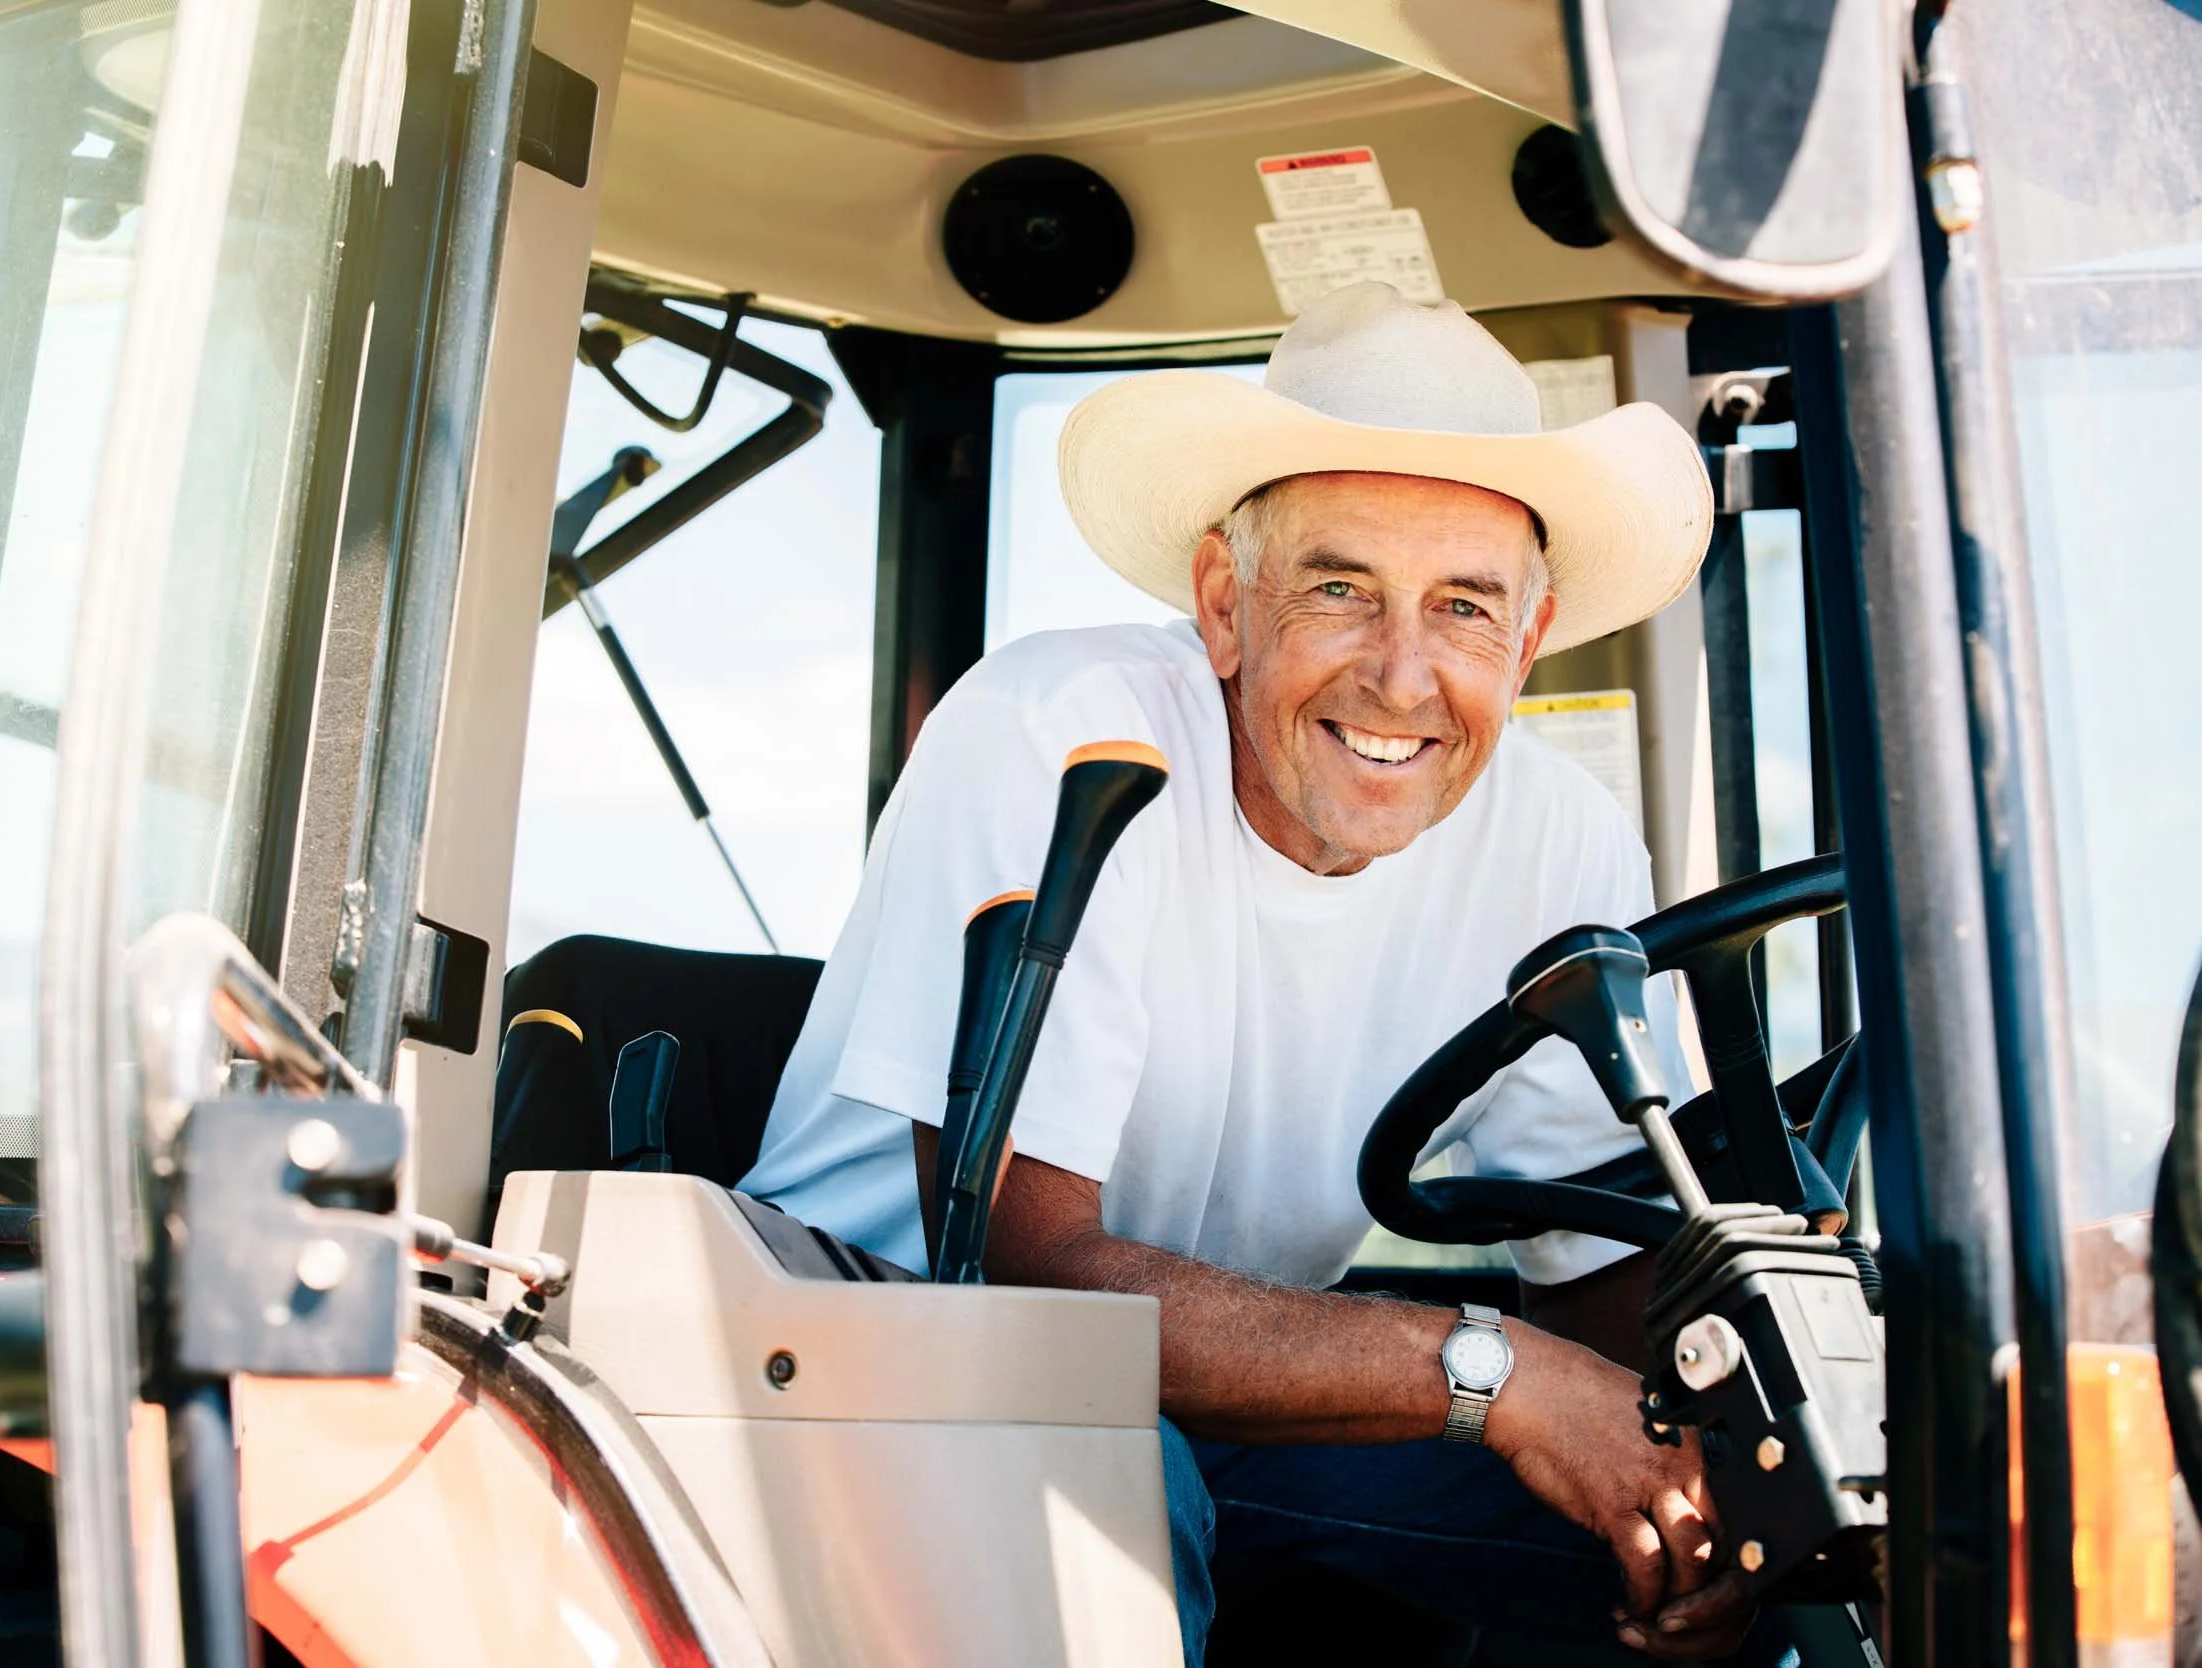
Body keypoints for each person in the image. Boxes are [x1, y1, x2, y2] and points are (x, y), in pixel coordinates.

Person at [740, 281, 1762, 1663]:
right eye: (1342, 589)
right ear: (1226, 603)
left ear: (1528, 639)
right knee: (1114, 1477)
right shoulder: (1068, 742)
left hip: (1231, 1387)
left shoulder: (1558, 839)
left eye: (1464, 609)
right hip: (868, 1365)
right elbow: (1031, 1281)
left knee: (1722, 1542)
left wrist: (1728, 1424)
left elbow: (1590, 1266)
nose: (1404, 679)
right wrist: (1494, 1372)